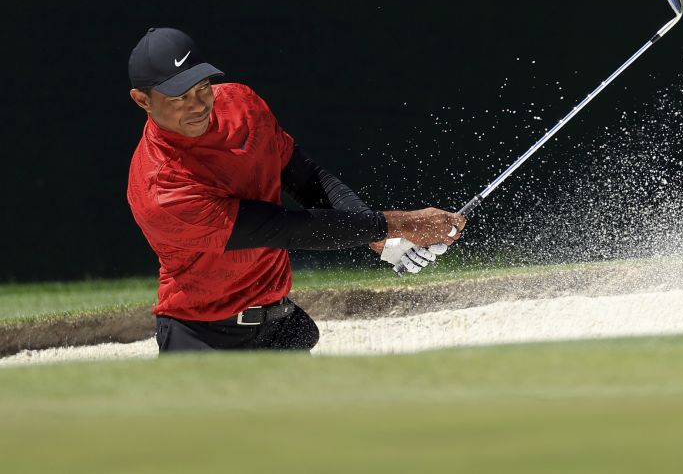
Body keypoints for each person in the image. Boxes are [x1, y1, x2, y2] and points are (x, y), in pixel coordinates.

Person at [126, 27, 463, 353]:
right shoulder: (160, 186)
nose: (199, 105)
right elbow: (286, 229)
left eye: (202, 88)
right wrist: (397, 224)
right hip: (204, 339)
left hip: (279, 326)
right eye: (180, 97)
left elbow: (307, 179)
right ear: (142, 100)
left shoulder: (240, 103)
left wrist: (380, 239)